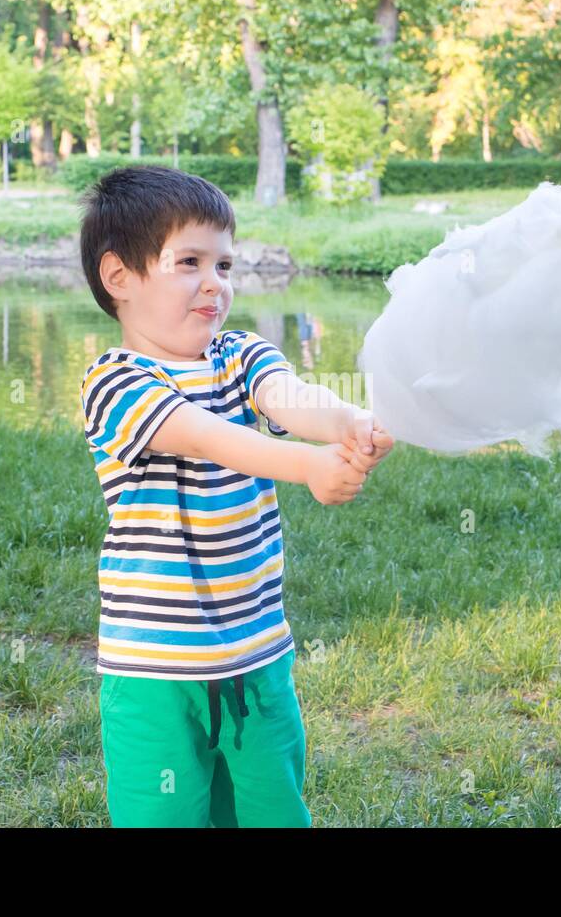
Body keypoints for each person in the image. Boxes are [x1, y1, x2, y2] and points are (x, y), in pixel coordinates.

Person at [78, 164, 394, 827]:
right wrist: (306, 466)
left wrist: (348, 424)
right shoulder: (114, 383)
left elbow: (292, 398)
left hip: (258, 656)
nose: (214, 284)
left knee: (272, 812)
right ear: (120, 279)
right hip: (155, 671)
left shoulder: (240, 355)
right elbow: (210, 438)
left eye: (225, 264)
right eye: (189, 261)